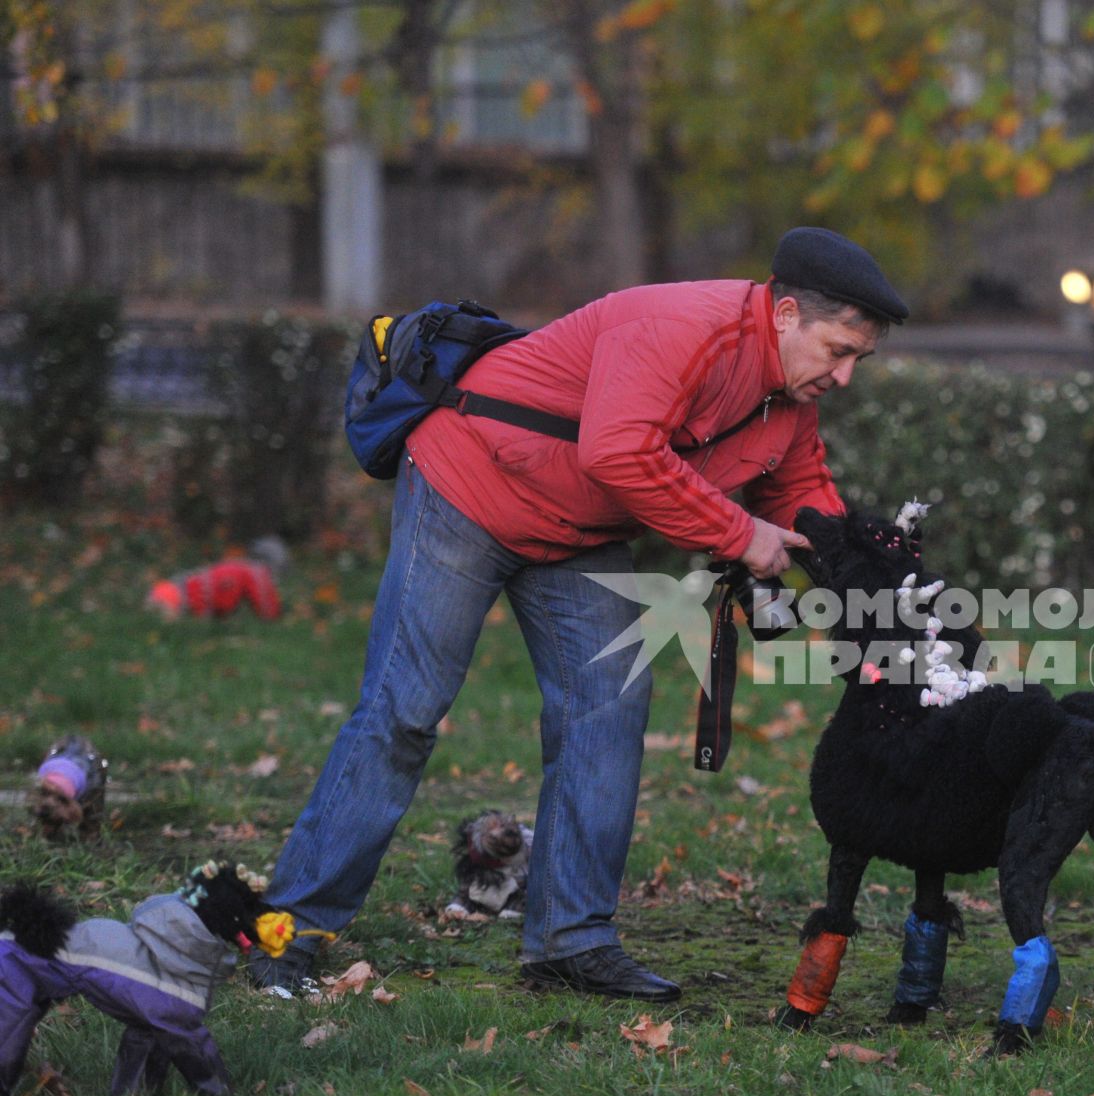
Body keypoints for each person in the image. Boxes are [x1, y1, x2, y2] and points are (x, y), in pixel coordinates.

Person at [247, 227, 907, 1000]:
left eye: (860, 358)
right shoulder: (683, 328)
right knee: (404, 708)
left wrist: (880, 582)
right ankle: (285, 933)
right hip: (472, 482)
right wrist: (739, 534)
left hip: (575, 530)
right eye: (837, 350)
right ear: (787, 313)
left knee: (610, 702)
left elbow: (805, 498)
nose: (846, 375)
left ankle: (569, 938)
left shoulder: (789, 400)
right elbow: (618, 451)